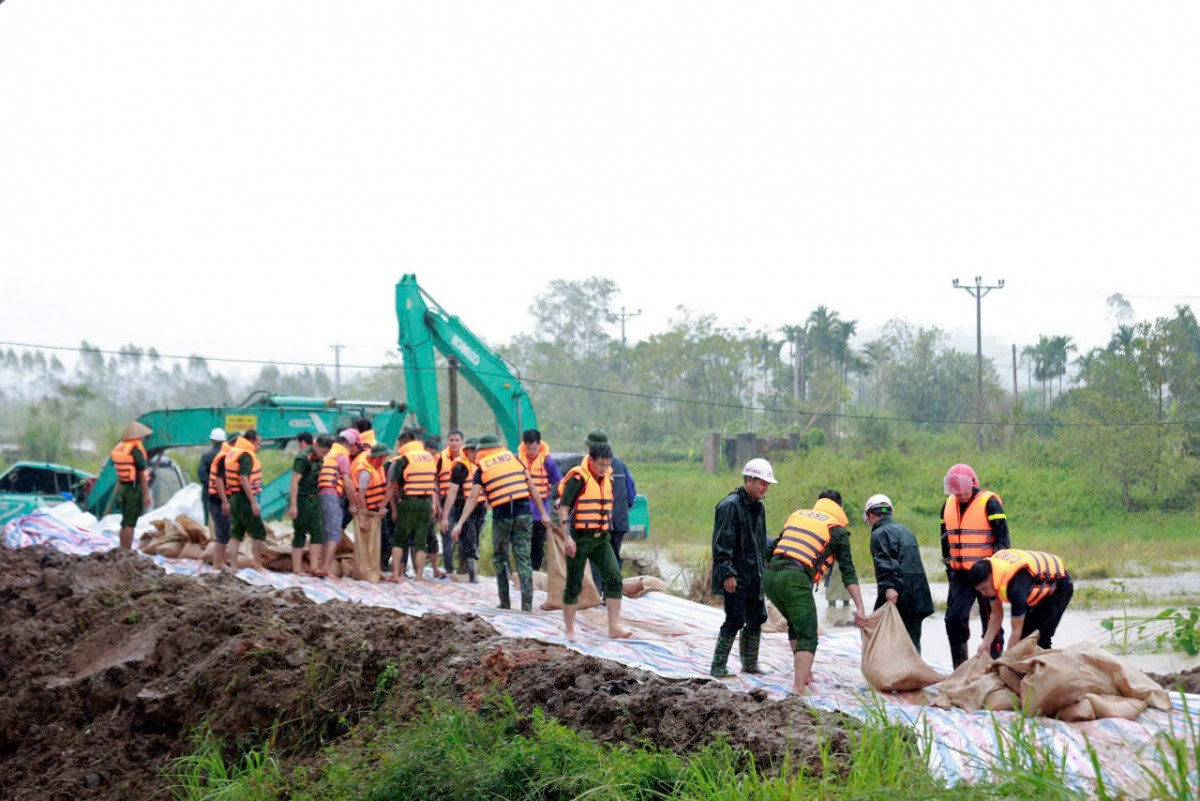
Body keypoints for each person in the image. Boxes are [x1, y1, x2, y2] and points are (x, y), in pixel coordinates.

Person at [763, 490, 867, 695]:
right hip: (794, 578)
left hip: (770, 578)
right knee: (809, 633)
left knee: (795, 623)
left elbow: (770, 550)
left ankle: (806, 674)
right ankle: (798, 687)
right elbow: (848, 572)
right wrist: (860, 607)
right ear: (839, 508)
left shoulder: (798, 517)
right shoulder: (836, 531)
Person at [453, 433, 550, 611]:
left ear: (482, 451)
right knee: (523, 559)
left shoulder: (482, 467)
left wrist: (459, 523)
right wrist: (544, 514)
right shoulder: (515, 460)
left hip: (502, 516)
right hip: (523, 514)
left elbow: (472, 498)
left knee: (500, 558)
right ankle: (527, 605)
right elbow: (532, 488)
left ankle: (505, 602)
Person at [556, 441, 631, 640]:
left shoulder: (608, 478)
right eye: (600, 465)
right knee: (574, 583)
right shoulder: (578, 479)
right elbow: (563, 508)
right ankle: (569, 629)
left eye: (607, 465)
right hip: (579, 539)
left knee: (614, 577)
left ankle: (614, 626)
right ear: (591, 460)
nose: (604, 469)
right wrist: (567, 538)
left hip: (601, 538)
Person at [709, 458, 775, 678]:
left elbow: (759, 541)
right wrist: (727, 573)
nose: (765, 488)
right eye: (761, 483)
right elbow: (721, 544)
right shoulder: (729, 506)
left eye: (767, 484)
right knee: (735, 619)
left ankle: (750, 664)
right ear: (749, 480)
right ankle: (718, 666)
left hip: (754, 573)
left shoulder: (758, 508)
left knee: (757, 617)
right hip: (736, 574)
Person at [941, 462, 1010, 667]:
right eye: (956, 491)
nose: (960, 495)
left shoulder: (990, 503)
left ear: (973, 484)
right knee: (953, 619)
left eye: (963, 490)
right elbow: (945, 540)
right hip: (960, 574)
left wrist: (995, 571)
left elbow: (1003, 540)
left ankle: (993, 665)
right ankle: (960, 667)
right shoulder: (948, 505)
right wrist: (949, 568)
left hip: (987, 572)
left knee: (991, 620)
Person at [864, 494, 934, 653]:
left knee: (885, 639)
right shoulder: (905, 530)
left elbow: (884, 562)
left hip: (897, 595)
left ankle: (894, 674)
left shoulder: (879, 533)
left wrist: (889, 588)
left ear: (871, 515)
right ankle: (915, 674)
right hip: (917, 596)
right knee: (912, 641)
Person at [970, 549, 1074, 654]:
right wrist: (986, 643)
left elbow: (1016, 631)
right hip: (1032, 587)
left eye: (984, 589)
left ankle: (1046, 666)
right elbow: (996, 614)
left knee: (1039, 638)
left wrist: (1006, 659)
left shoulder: (1016, 589)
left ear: (992, 577)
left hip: (1059, 586)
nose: (983, 594)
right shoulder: (992, 579)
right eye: (980, 591)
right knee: (1024, 641)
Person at [583, 430, 636, 597]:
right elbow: (631, 494)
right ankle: (611, 595)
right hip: (619, 522)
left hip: (601, 523)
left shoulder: (593, 467)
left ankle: (598, 595)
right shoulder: (621, 466)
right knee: (613, 559)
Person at [384, 428, 441, 581]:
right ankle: (419, 576)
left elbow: (392, 486)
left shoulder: (403, 460)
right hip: (426, 503)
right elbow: (433, 484)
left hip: (408, 502)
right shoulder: (429, 458)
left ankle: (396, 574)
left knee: (399, 539)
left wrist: (384, 506)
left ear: (404, 443)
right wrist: (435, 505)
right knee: (421, 542)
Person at [316, 429, 360, 578]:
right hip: (331, 495)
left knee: (323, 532)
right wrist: (353, 504)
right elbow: (347, 484)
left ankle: (318, 565)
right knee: (334, 533)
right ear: (348, 446)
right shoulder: (342, 457)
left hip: (318, 495)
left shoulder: (327, 453)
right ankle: (325, 568)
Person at [518, 429, 563, 571]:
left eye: (534, 448)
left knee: (537, 544)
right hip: (522, 508)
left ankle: (535, 572)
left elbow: (560, 482)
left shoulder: (547, 461)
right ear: (524, 446)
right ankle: (524, 572)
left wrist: (559, 498)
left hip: (540, 510)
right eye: (528, 448)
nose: (531, 451)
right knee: (522, 543)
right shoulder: (517, 459)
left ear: (539, 445)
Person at [440, 435, 482, 582]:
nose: (475, 453)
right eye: (472, 450)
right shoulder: (460, 467)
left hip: (480, 507)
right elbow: (451, 493)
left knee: (474, 539)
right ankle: (472, 577)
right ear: (467, 451)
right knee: (468, 539)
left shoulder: (481, 466)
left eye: (477, 450)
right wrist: (445, 516)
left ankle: (463, 571)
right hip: (463, 506)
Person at [225, 430, 267, 570]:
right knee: (259, 531)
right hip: (244, 498)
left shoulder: (234, 451)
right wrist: (253, 502)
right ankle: (257, 564)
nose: (259, 446)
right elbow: (243, 479)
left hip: (234, 496)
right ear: (251, 441)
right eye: (258, 443)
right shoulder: (246, 455)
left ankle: (234, 566)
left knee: (237, 532)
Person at [289, 433, 330, 575]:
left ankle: (314, 567)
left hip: (314, 497)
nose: (324, 455)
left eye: (327, 453)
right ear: (316, 446)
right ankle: (297, 569)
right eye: (323, 451)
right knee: (300, 532)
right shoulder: (302, 458)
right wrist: (293, 505)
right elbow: (294, 481)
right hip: (302, 498)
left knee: (317, 532)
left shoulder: (319, 458)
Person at [111, 421, 153, 549]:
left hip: (124, 487)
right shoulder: (136, 450)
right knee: (130, 523)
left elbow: (119, 477)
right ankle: (126, 551)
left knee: (124, 522)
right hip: (134, 489)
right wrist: (146, 494)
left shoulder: (122, 448)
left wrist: (116, 494)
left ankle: (122, 549)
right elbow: (142, 474)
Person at [208, 430, 240, 571]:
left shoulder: (228, 456)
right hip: (217, 501)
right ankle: (217, 564)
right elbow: (219, 480)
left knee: (225, 532)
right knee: (222, 533)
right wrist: (225, 502)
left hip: (220, 499)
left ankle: (220, 562)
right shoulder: (223, 458)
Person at [435, 430, 465, 574]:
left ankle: (464, 568)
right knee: (447, 534)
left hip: (464, 501)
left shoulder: (468, 458)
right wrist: (437, 504)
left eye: (457, 440)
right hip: (445, 500)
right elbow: (434, 479)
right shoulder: (441, 458)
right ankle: (449, 568)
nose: (453, 443)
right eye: (451, 440)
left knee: (465, 535)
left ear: (462, 442)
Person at [196, 428, 226, 524]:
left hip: (209, 493)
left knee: (210, 521)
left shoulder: (206, 456)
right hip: (226, 493)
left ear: (212, 441)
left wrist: (211, 484)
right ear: (223, 441)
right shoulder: (228, 455)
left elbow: (201, 474)